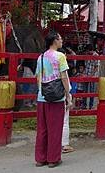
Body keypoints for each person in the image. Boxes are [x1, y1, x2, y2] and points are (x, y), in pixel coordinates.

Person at [35, 31, 71, 168]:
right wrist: (68, 95)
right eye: (60, 38)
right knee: (55, 128)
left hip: (42, 96)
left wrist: (41, 91)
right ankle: (53, 158)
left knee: (42, 129)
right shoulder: (60, 56)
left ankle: (40, 158)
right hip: (56, 97)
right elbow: (64, 77)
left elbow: (38, 77)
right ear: (55, 40)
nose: (62, 41)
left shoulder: (41, 57)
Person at [84, 45, 100, 109]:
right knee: (85, 91)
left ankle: (90, 105)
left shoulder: (96, 55)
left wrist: (91, 75)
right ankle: (84, 105)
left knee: (91, 91)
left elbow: (96, 67)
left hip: (92, 75)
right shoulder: (87, 55)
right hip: (86, 73)